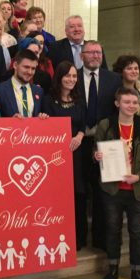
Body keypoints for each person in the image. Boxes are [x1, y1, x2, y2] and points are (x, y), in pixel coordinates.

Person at [94, 87, 140, 279]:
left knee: (137, 232)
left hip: (137, 189)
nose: (131, 106)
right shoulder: (106, 125)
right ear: (117, 103)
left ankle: (136, 271)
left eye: (134, 102)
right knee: (112, 230)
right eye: (127, 102)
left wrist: (139, 176)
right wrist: (96, 156)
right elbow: (97, 149)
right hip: (113, 189)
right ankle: (112, 269)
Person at [77, 40, 122, 249]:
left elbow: (118, 112)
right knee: (79, 190)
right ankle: (78, 237)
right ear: (81, 56)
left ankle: (101, 238)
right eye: (91, 52)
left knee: (104, 191)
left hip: (106, 143)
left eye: (98, 52)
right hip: (78, 143)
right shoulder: (71, 77)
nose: (95, 56)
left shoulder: (114, 80)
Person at [45, 61, 87, 248]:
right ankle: (57, 233)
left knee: (78, 195)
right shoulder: (48, 99)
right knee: (57, 195)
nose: (71, 79)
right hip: (55, 156)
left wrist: (79, 135)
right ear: (59, 77)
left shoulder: (79, 99)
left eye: (74, 76)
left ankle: (78, 237)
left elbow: (83, 124)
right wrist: (42, 119)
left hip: (76, 154)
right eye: (67, 76)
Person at [0, 49, 46, 118]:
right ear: (15, 65)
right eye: (26, 67)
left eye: (33, 68)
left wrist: (42, 118)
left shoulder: (38, 91)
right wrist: (9, 122)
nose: (30, 72)